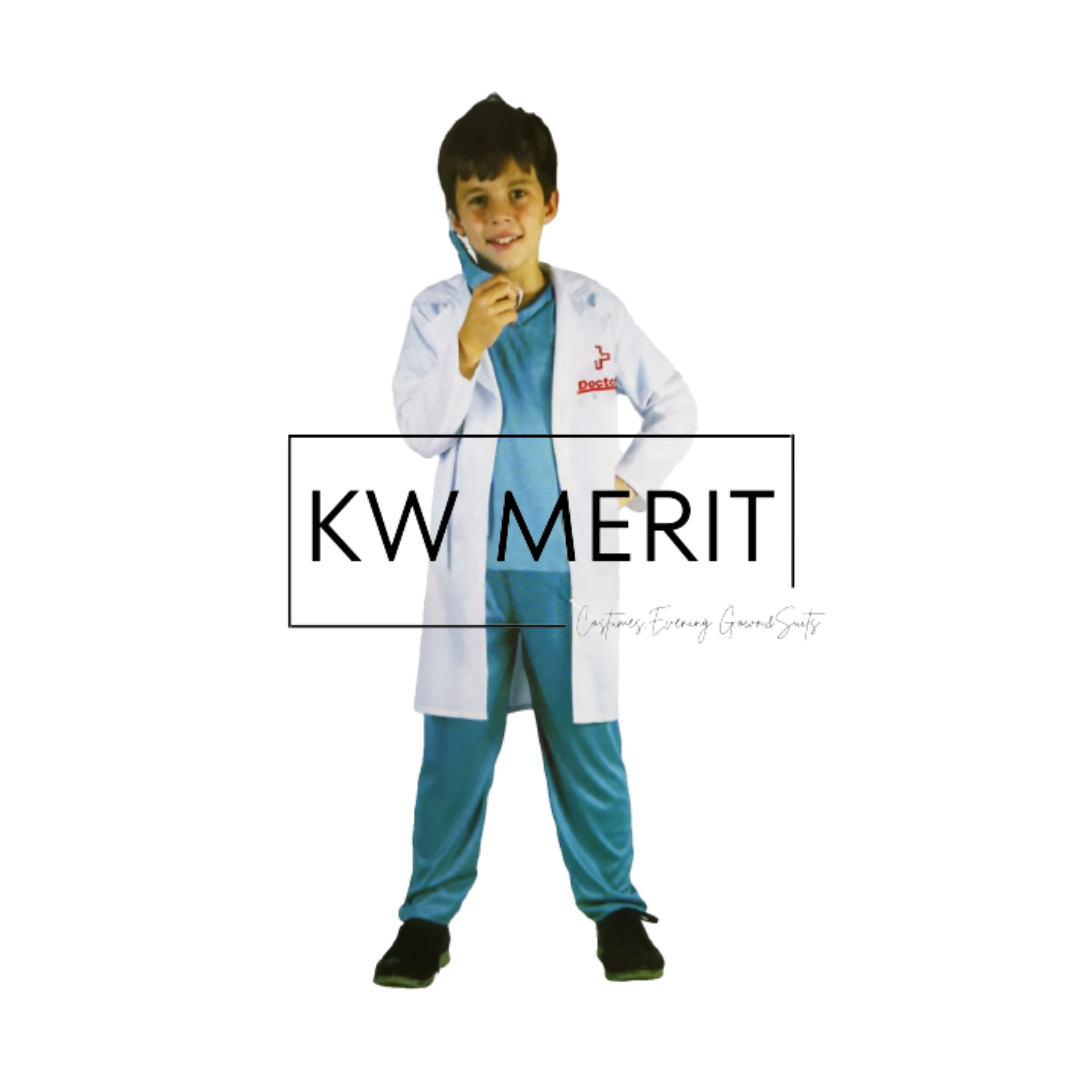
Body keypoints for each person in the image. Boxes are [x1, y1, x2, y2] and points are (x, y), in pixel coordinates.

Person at [376, 94, 696, 987]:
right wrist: (467, 348)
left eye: (517, 193)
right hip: (474, 571)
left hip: (567, 568)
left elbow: (675, 405)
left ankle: (617, 908)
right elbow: (421, 433)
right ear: (453, 218)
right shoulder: (438, 312)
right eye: (476, 199)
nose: (500, 215)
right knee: (454, 752)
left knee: (588, 744)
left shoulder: (595, 310)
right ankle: (426, 919)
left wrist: (626, 484)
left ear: (550, 202)